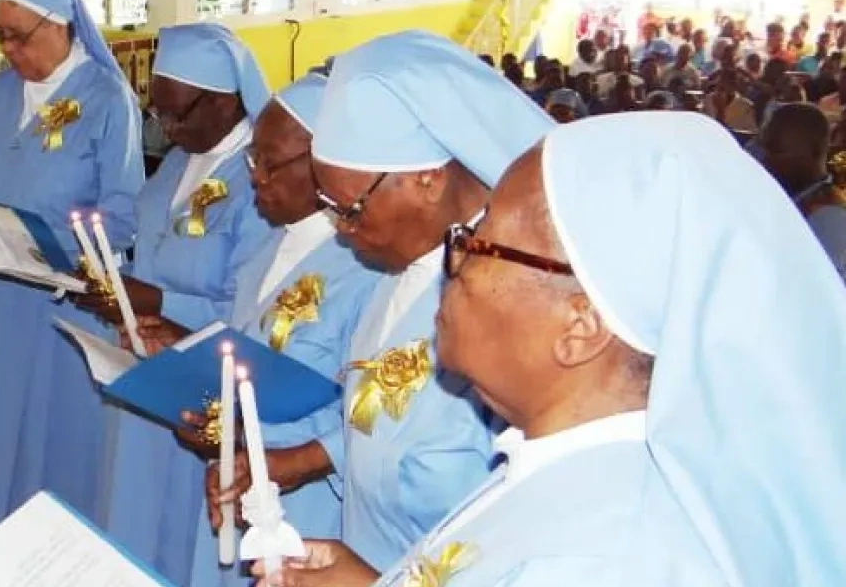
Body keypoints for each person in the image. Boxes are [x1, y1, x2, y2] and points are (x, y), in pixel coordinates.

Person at [261, 112, 846, 586]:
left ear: (580, 327)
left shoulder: (606, 558)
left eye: (481, 243)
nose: (452, 259)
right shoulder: (564, 470)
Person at [303, 30, 553, 573]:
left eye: (350, 209)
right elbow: (392, 429)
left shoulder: (508, 308)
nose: (342, 232)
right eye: (329, 208)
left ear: (427, 180)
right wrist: (306, 458)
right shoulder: (397, 268)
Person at [0, 0, 145, 540]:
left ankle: (60, 548)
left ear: (60, 26)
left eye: (20, 35)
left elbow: (124, 212)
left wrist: (58, 251)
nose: (7, 50)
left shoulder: (107, 99)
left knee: (53, 425)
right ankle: (0, 535)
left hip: (65, 299)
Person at [75, 23, 273, 585]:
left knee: (188, 526)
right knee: (134, 512)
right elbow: (145, 257)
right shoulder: (171, 170)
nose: (166, 127)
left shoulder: (260, 183)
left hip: (206, 386)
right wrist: (118, 294)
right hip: (148, 372)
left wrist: (155, 300)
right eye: (157, 112)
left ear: (226, 100)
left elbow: (251, 303)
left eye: (179, 113)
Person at [170, 73, 380, 587]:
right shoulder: (269, 247)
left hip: (306, 503)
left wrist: (302, 456)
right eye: (252, 161)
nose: (256, 178)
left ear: (326, 164)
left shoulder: (366, 265)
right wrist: (218, 426)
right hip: (242, 478)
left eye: (272, 164)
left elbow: (365, 414)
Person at [756, 103, 846, 279]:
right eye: (764, 148)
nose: (765, 160)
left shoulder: (829, 218)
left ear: (816, 152)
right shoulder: (788, 199)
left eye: (776, 150)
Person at [705, 68, 757, 133]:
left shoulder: (745, 106)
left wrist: (721, 110)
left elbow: (751, 132)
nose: (719, 91)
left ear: (734, 87)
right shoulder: (708, 99)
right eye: (719, 86)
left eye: (724, 87)